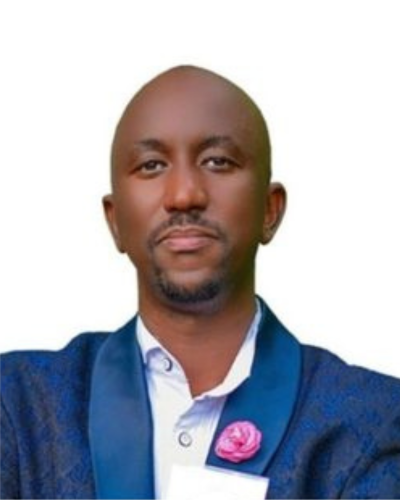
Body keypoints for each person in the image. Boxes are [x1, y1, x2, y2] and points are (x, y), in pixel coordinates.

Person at [1, 65, 399, 500]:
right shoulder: (20, 405)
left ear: (270, 210)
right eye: (151, 165)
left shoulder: (369, 419)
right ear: (115, 222)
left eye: (217, 161)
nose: (184, 195)